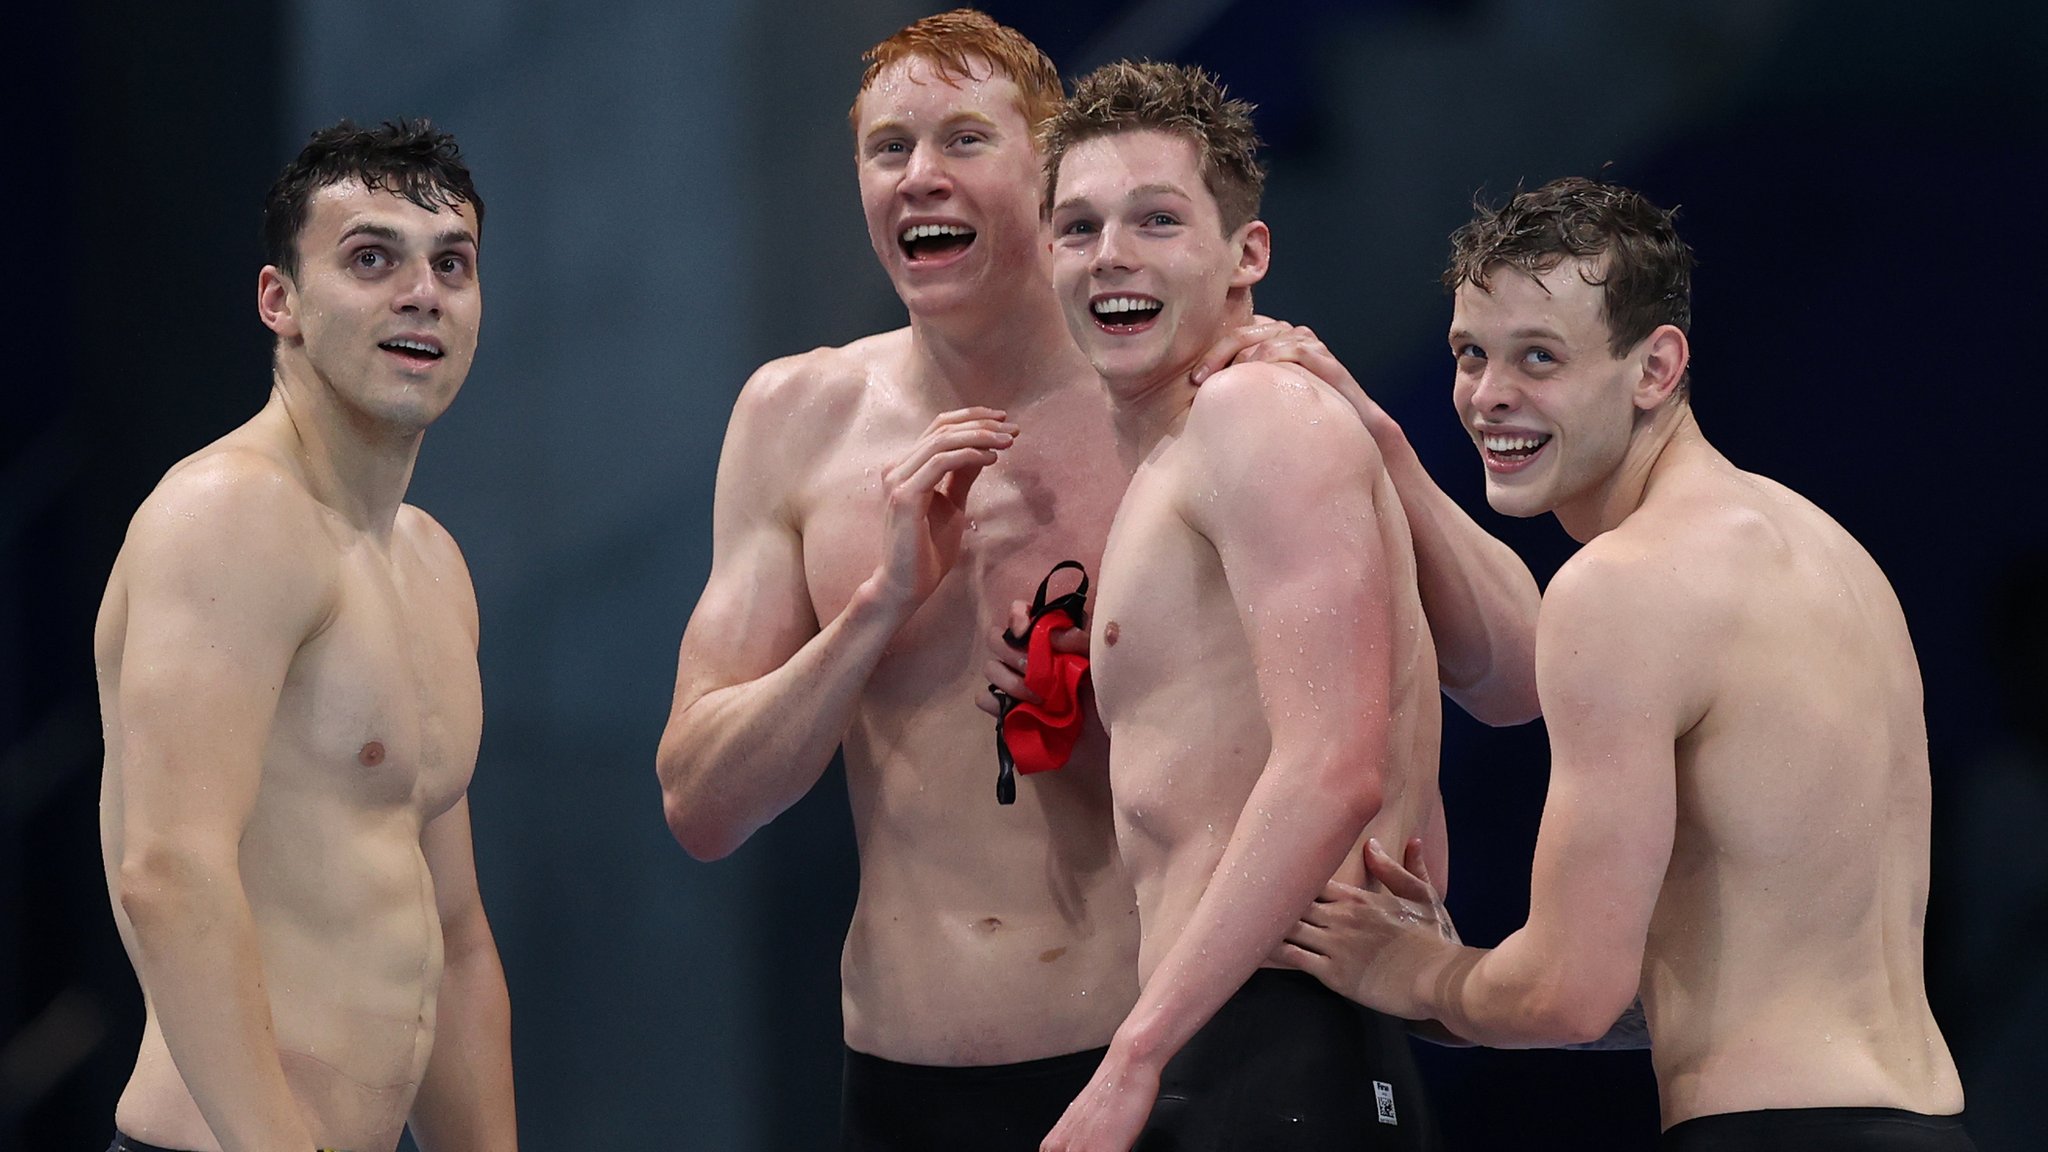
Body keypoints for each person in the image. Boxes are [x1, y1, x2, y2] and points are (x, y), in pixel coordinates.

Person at [1261, 176, 1974, 1151]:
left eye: (1538, 358)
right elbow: (1743, 963)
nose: (1487, 396)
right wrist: (1457, 986)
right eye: (1470, 355)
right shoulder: (1825, 553)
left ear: (1654, 367)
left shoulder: (1620, 587)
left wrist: (1407, 968)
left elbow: (1566, 996)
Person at [654, 12, 1141, 1149]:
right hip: (901, 1075)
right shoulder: (796, 418)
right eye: (888, 149)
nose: (919, 177)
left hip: (1137, 1059)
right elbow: (700, 803)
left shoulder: (1167, 405)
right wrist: (876, 608)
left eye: (964, 140)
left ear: (1050, 170)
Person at [1029, 61, 1443, 1151]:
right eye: (1076, 228)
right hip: (1244, 1039)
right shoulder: (1182, 458)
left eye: (1155, 220)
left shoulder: (1256, 418)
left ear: (1244, 254)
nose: (1109, 253)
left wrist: (1132, 1059)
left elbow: (1333, 765)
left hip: (1271, 1044)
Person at [93, 120, 516, 1152]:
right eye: (371, 259)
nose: (421, 291)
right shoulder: (230, 515)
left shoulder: (428, 562)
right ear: (278, 301)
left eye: (450, 264)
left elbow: (453, 938)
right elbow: (166, 870)